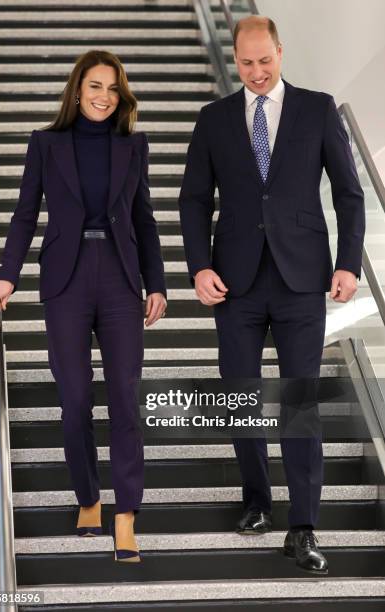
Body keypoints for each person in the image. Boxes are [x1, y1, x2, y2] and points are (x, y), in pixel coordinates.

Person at [178, 16, 365, 574]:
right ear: (234, 59)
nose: (257, 73)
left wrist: (348, 264)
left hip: (302, 280)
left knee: (299, 403)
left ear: (280, 53)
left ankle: (303, 525)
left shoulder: (317, 108)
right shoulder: (213, 120)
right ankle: (257, 500)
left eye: (266, 60)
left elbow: (351, 195)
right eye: (247, 62)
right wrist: (198, 267)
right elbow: (193, 200)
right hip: (234, 284)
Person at [0, 50, 167, 563]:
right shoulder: (45, 144)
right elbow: (23, 216)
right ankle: (88, 495)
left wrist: (157, 282)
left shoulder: (134, 146)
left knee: (125, 398)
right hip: (64, 280)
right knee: (76, 398)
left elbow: (144, 218)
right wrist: (5, 275)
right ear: (77, 89)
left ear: (121, 93)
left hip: (120, 278)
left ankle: (126, 512)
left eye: (112, 88)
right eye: (94, 86)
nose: (103, 96)